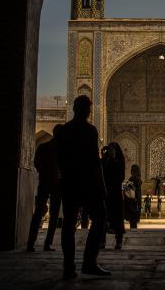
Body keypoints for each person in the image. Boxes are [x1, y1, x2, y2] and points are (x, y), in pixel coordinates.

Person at [55, 95, 110, 279]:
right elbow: (94, 162)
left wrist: (62, 179)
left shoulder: (63, 131)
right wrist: (101, 186)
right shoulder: (90, 130)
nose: (88, 111)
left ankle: (69, 267)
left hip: (69, 183)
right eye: (88, 108)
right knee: (100, 217)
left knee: (69, 225)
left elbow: (59, 159)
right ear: (84, 110)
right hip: (87, 184)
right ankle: (89, 262)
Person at [26, 124, 62, 252]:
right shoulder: (62, 150)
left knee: (38, 213)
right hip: (57, 186)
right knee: (53, 215)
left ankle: (30, 243)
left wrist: (44, 174)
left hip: (44, 183)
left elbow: (37, 163)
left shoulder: (43, 147)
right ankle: (47, 244)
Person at [100, 143, 126, 250]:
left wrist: (114, 159)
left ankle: (118, 241)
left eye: (112, 150)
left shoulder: (119, 161)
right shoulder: (104, 161)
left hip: (115, 193)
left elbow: (120, 177)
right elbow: (101, 173)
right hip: (105, 193)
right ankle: (102, 241)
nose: (110, 152)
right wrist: (103, 156)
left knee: (118, 218)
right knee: (102, 218)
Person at [124, 164, 142, 230]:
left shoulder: (132, 179)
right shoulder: (139, 180)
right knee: (134, 222)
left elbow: (128, 190)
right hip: (136, 202)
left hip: (132, 202)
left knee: (132, 220)